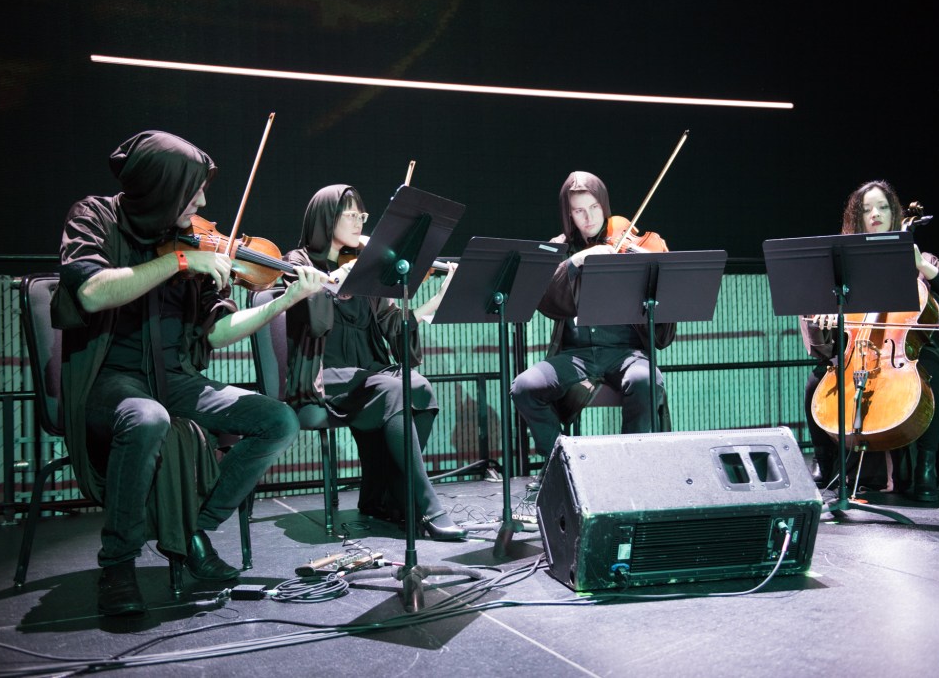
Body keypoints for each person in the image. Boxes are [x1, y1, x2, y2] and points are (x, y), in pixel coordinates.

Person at [53, 130, 325, 616]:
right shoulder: (93, 217)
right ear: (162, 187)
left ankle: (193, 528)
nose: (201, 201)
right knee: (148, 418)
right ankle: (118, 563)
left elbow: (218, 333)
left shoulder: (197, 240)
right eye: (192, 190)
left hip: (175, 376)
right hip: (108, 378)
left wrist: (285, 298)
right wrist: (180, 260)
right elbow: (92, 292)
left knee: (279, 421)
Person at [281, 184, 467, 541]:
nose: (358, 221)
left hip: (368, 374)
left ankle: (386, 494)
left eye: (360, 215)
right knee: (395, 389)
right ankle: (427, 506)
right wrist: (329, 284)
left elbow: (395, 327)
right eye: (348, 214)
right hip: (323, 375)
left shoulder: (364, 269)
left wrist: (437, 298)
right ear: (325, 219)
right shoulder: (298, 264)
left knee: (420, 387)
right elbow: (316, 324)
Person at [800, 179, 939, 502]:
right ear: (858, 218)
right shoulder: (846, 267)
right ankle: (825, 465)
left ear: (894, 213)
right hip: (858, 355)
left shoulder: (919, 262)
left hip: (906, 354)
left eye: (881, 207)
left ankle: (925, 468)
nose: (874, 214)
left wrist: (920, 265)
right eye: (866, 210)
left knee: (930, 372)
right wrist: (826, 319)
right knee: (815, 381)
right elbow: (819, 324)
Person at [510, 171, 676, 480]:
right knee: (523, 387)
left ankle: (634, 472)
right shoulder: (560, 248)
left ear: (604, 205)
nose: (588, 218)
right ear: (568, 214)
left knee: (646, 381)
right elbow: (545, 299)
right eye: (578, 210)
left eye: (594, 207)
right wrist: (579, 259)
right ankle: (560, 467)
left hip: (625, 353)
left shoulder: (629, 243)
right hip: (576, 355)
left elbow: (664, 315)